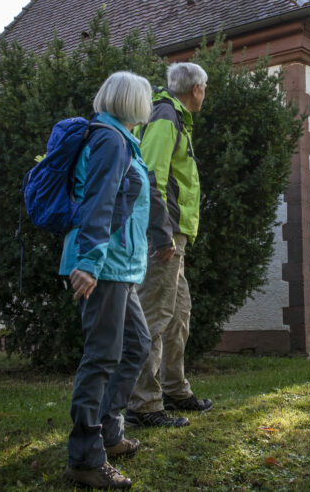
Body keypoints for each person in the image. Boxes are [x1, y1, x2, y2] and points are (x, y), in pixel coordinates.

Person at [61, 71, 154, 489]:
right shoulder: (111, 141)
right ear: (135, 104)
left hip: (119, 267)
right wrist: (90, 262)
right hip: (102, 266)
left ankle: (108, 430)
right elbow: (100, 201)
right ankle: (85, 456)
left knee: (136, 345)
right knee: (101, 356)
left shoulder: (120, 140)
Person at [126, 62, 212, 428]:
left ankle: (175, 389)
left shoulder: (176, 119)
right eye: (205, 87)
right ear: (195, 89)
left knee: (179, 315)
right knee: (156, 315)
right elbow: (150, 176)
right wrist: (162, 233)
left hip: (175, 234)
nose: (205, 94)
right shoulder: (165, 116)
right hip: (163, 232)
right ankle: (143, 405)